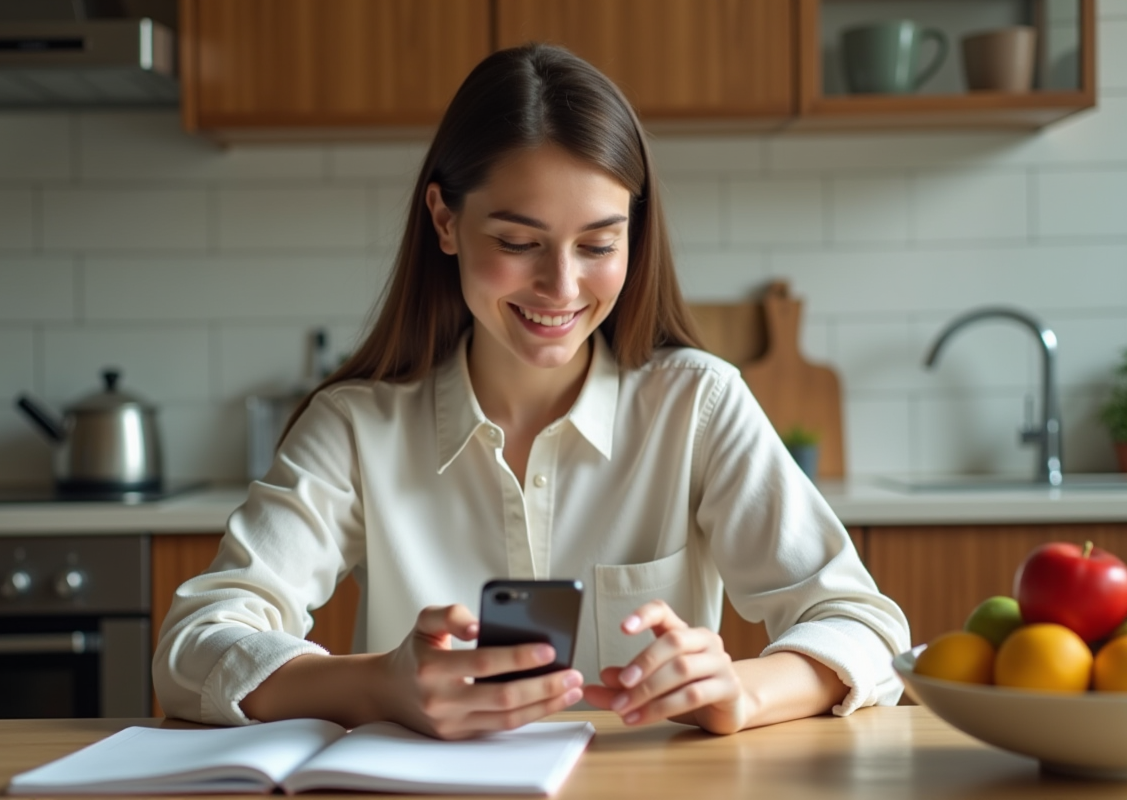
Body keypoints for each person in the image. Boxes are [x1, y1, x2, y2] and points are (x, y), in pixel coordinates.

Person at [153, 43, 911, 740]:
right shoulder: (357, 424)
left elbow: (866, 627)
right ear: (445, 221)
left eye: (599, 244)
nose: (561, 286)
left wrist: (742, 689)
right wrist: (381, 686)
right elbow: (192, 648)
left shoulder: (698, 406)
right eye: (518, 243)